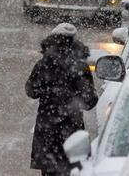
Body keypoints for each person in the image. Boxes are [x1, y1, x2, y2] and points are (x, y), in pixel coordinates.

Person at [26, 23, 98, 176]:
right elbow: (90, 101)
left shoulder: (44, 64)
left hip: (47, 131)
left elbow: (31, 91)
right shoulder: (80, 67)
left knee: (49, 171)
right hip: (73, 132)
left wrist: (48, 92)